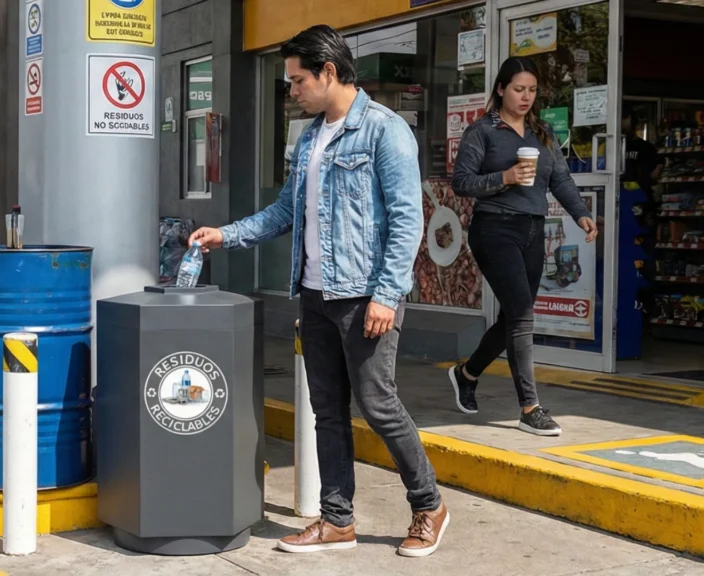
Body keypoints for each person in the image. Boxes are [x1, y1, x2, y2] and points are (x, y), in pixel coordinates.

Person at [188, 25, 447, 558]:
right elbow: (287, 211)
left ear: (329, 72)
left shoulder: (384, 131)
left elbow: (407, 220)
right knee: (327, 410)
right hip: (314, 293)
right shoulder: (309, 139)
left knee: (378, 404)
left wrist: (386, 293)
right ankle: (337, 521)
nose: (292, 91)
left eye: (298, 80)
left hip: (365, 295)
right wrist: (226, 235)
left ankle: (429, 505)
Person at [448, 57, 598, 436]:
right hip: (494, 228)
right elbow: (462, 182)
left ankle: (466, 374)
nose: (525, 97)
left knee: (515, 316)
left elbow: (560, 180)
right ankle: (530, 407)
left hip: (533, 230)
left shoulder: (542, 132)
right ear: (501, 89)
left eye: (531, 90)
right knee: (522, 314)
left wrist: (581, 214)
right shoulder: (482, 131)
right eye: (518, 89)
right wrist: (507, 177)